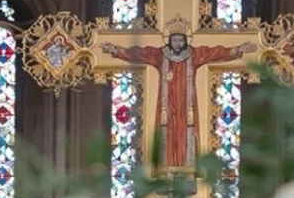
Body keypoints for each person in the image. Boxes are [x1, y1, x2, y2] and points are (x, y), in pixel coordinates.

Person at [101, 21, 257, 169]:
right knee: (167, 132)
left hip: (187, 107)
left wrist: (237, 50)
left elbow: (214, 52)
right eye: (174, 40)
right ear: (169, 40)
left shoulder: (194, 55)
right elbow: (140, 54)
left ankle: (185, 167)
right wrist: (117, 50)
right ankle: (167, 167)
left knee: (185, 133)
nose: (177, 43)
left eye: (181, 40)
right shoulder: (159, 55)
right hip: (167, 106)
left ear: (186, 40)